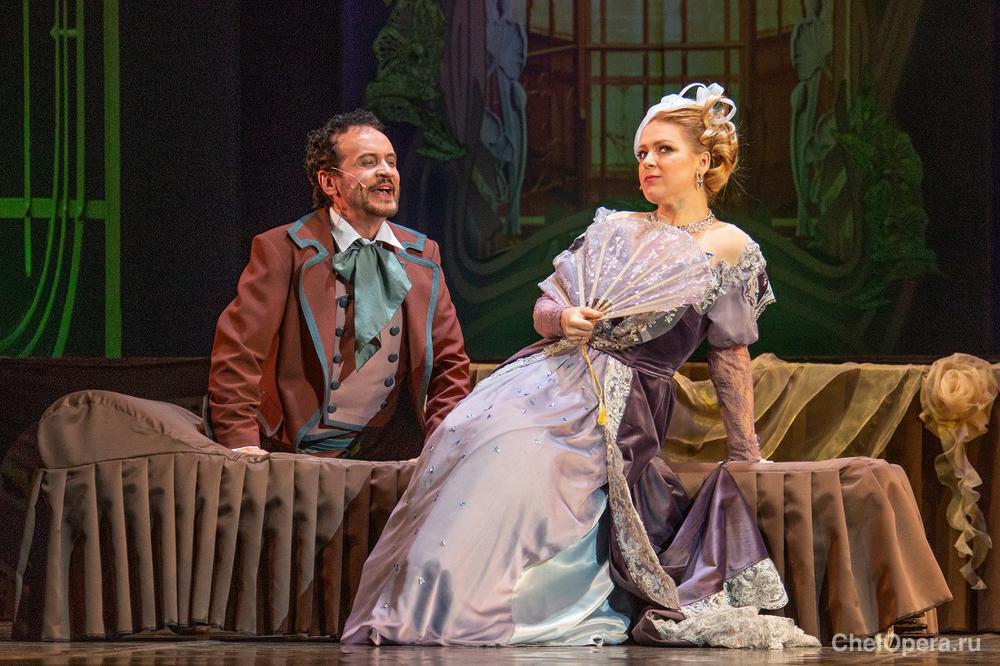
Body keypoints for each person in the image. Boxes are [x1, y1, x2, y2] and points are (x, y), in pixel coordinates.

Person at [341, 84, 819, 647]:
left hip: (624, 401)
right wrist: (564, 317)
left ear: (703, 162)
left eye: (663, 150)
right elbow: (544, 308)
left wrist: (745, 450)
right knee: (475, 434)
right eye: (641, 152)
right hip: (549, 375)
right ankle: (434, 597)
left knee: (526, 459)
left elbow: (729, 353)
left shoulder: (730, 246)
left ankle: (493, 606)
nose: (647, 162)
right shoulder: (616, 228)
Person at [207, 110, 471, 460]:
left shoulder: (422, 255)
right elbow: (238, 354)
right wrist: (241, 441)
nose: (386, 172)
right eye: (368, 162)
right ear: (330, 183)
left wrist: (443, 443)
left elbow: (449, 365)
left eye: (391, 162)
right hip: (300, 451)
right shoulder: (284, 250)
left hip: (392, 451)